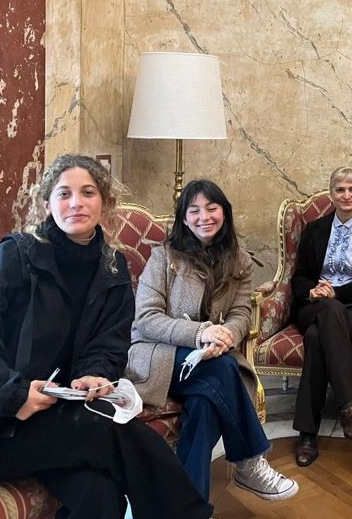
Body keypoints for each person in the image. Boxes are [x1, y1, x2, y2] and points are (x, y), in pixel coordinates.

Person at [0, 154, 235, 519]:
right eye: (64, 194)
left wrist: (94, 374)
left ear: (104, 203)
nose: (76, 202)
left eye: (88, 193)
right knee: (104, 427)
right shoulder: (11, 259)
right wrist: (16, 395)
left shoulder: (112, 268)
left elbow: (108, 343)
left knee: (99, 492)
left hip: (56, 423)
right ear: (47, 204)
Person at [127, 179, 298, 502]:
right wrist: (200, 333)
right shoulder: (163, 257)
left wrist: (226, 336)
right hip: (159, 357)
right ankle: (249, 461)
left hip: (209, 359)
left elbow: (240, 312)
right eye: (194, 211)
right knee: (223, 371)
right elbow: (146, 319)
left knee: (205, 408)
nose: (203, 217)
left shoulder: (239, 261)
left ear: (225, 212)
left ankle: (191, 514)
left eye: (211, 208)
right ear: (183, 218)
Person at [289, 166, 352, 466]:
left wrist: (336, 293)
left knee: (316, 337)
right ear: (331, 194)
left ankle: (307, 434)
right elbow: (300, 276)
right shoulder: (314, 230)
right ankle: (348, 407)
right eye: (340, 189)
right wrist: (312, 292)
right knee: (327, 312)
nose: (347, 195)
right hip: (314, 306)